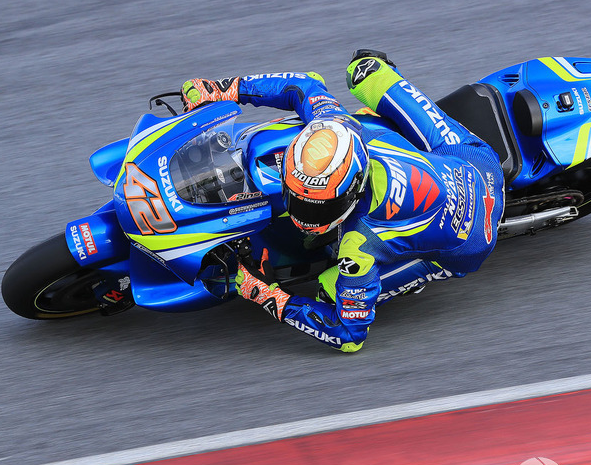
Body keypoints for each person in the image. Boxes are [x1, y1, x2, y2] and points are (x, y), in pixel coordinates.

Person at [180, 50, 504, 352]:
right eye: (297, 196)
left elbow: (348, 337)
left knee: (331, 291)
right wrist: (224, 89)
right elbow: (303, 86)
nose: (302, 215)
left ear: (351, 192)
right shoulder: (337, 125)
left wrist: (266, 295)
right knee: (365, 68)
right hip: (458, 163)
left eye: (316, 207)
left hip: (471, 231)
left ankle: (420, 268)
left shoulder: (357, 250)